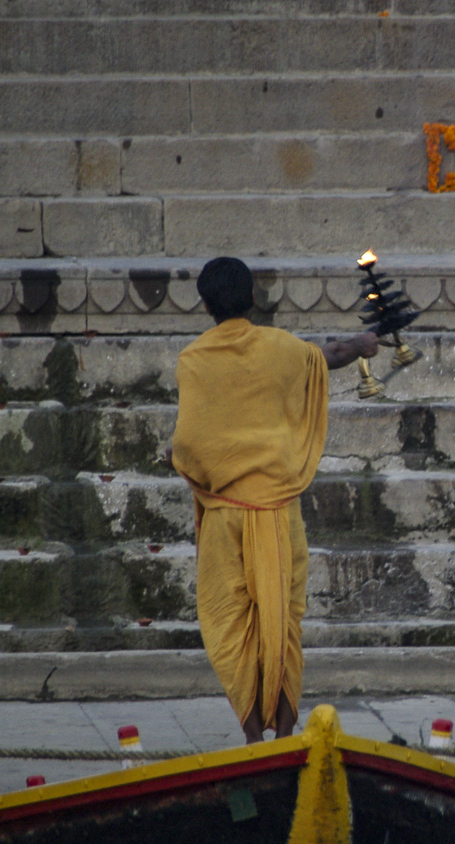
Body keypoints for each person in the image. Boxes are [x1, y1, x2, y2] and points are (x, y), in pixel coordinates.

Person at [171, 257, 378, 743]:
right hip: (280, 514)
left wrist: (178, 461)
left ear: (205, 306)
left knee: (230, 625)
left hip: (225, 517)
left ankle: (252, 740)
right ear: (254, 299)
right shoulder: (280, 347)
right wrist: (366, 344)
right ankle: (284, 737)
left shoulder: (194, 360)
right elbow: (331, 354)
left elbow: (190, 445)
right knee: (282, 623)